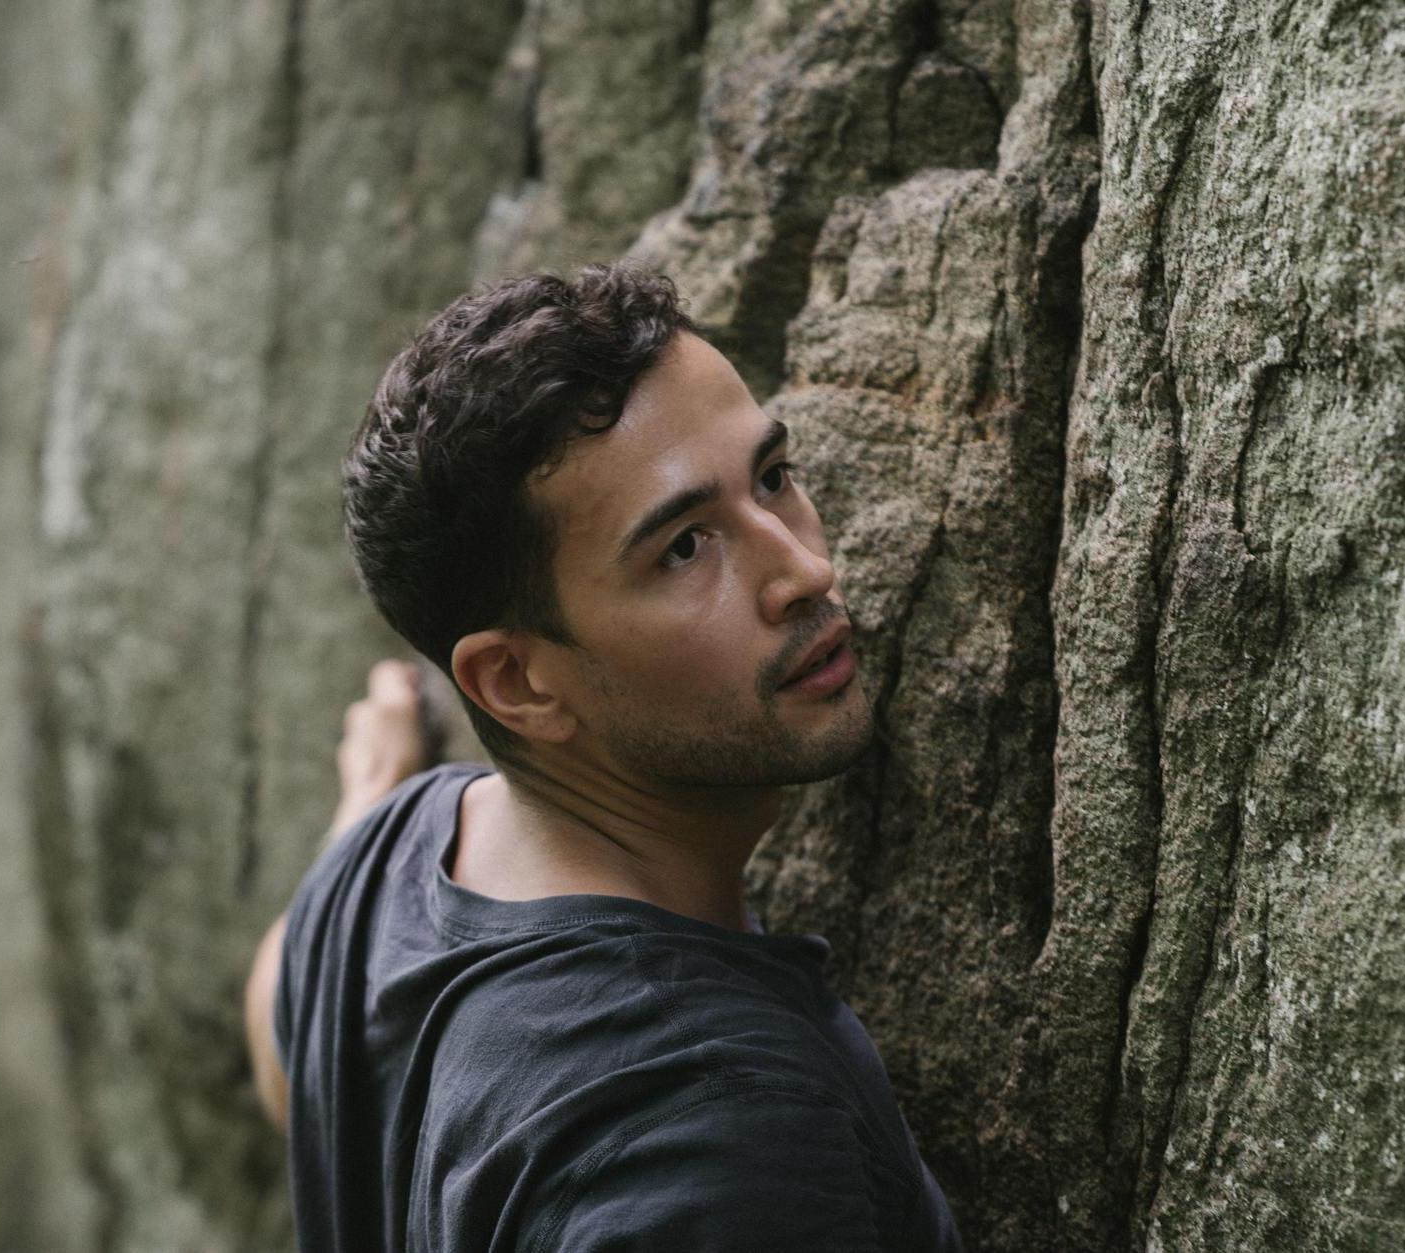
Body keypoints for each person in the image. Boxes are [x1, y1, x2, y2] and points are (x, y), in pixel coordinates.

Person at [241, 261, 965, 1251]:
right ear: (517, 683)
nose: (803, 568)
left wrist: (363, 813)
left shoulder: (377, 873)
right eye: (682, 548)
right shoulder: (717, 1136)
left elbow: (280, 1042)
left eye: (770, 478)